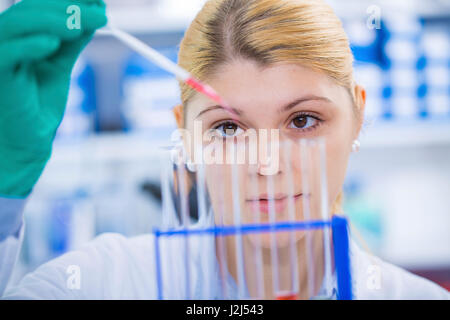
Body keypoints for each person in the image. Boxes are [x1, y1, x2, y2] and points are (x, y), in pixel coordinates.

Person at [0, 0, 448, 300]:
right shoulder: (101, 284)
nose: (268, 165)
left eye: (303, 120)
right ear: (187, 136)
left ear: (358, 118)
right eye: (229, 128)